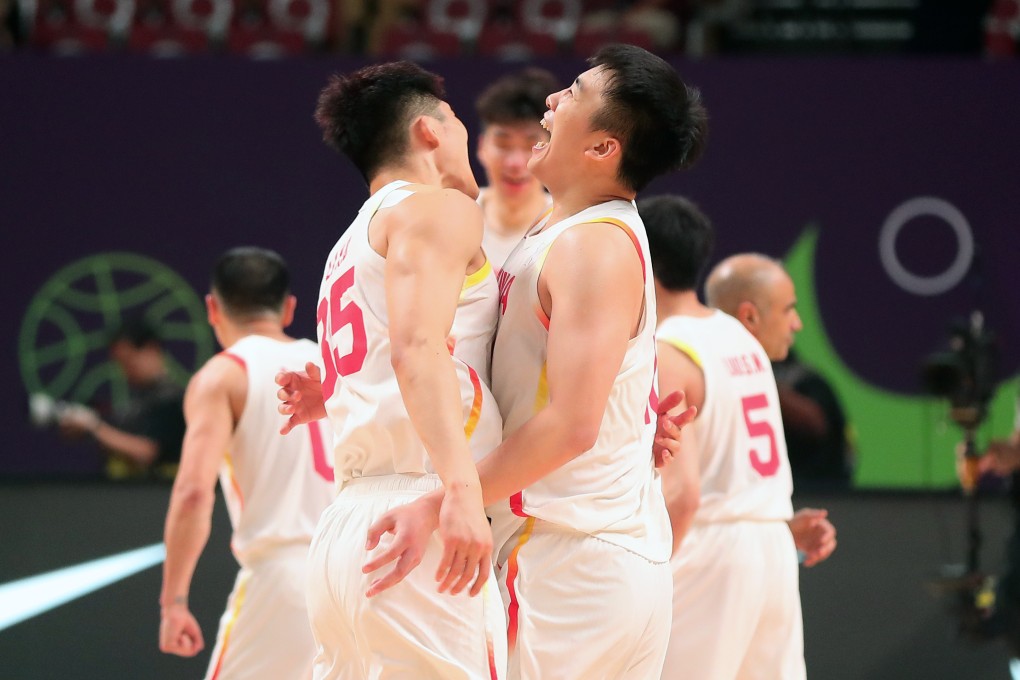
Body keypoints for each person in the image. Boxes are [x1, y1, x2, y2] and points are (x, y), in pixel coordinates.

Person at [356, 45, 707, 679]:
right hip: (587, 560)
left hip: (566, 560)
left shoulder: (594, 245)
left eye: (572, 92)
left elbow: (573, 426)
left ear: (603, 148)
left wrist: (440, 504)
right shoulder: (568, 229)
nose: (552, 100)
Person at [279, 61, 507, 679]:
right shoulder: (438, 209)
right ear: (430, 132)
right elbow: (415, 349)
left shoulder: (348, 241)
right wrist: (462, 493)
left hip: (348, 525)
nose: (466, 136)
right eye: (459, 121)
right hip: (419, 511)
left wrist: (333, 392)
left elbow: (392, 352)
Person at [643, 196, 837, 680]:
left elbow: (684, 495)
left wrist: (646, 577)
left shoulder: (668, 349)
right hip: (770, 543)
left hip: (710, 550)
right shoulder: (739, 337)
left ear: (641, 257)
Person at [158, 247, 334, 679]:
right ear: (289, 307)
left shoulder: (222, 376)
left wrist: (173, 601)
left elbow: (194, 492)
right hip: (351, 567)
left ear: (212, 308)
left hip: (284, 577)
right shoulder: (333, 364)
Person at [58, 317, 186, 480]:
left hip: (158, 496)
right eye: (121, 365)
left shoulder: (173, 399)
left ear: (151, 349)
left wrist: (94, 427)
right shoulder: (138, 401)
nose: (126, 371)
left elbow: (147, 452)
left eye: (129, 361)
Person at [474, 67, 557, 269]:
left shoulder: (568, 227)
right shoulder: (454, 219)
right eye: (503, 145)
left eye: (532, 145)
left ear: (553, 149)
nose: (515, 163)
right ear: (482, 147)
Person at [772, 348, 855, 490]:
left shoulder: (808, 381)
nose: (796, 325)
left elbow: (814, 421)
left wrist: (766, 389)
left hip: (821, 490)